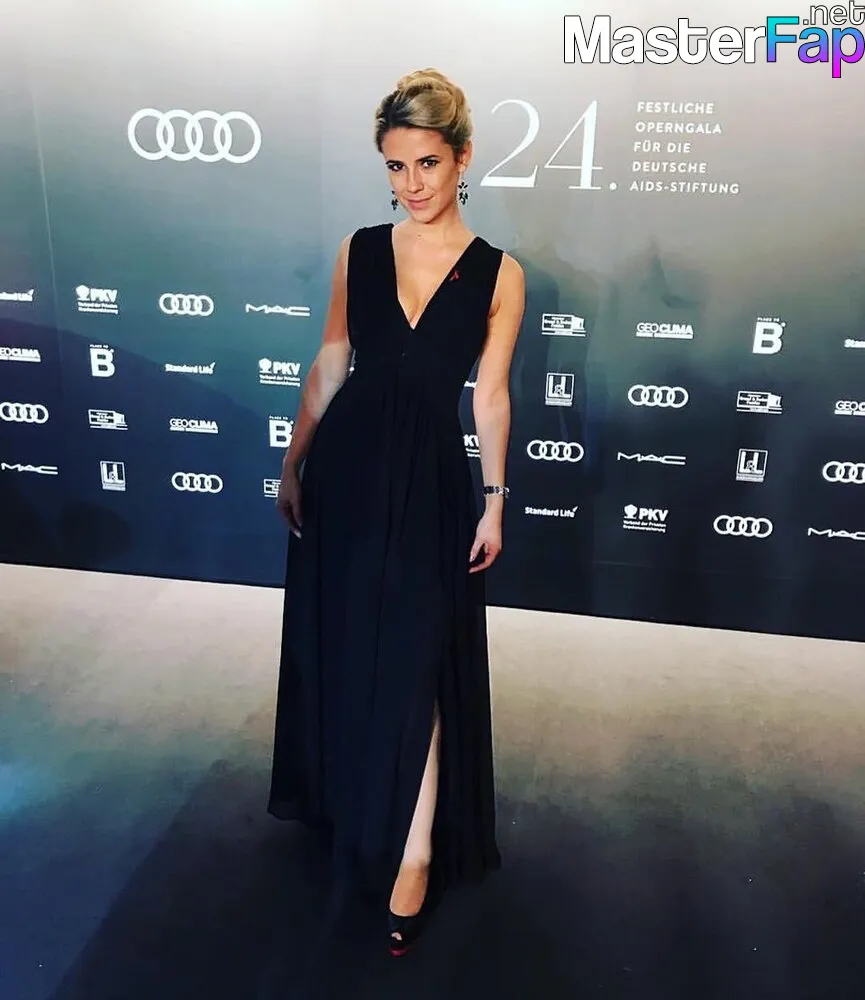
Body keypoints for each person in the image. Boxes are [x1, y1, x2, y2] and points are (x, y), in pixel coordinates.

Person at [268, 67, 525, 956]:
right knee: (348, 641)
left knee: (420, 656)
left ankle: (415, 850)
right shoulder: (360, 249)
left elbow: (490, 395)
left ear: (462, 157)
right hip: (347, 470)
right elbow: (331, 361)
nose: (411, 184)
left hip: (432, 485)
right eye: (394, 166)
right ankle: (349, 798)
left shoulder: (500, 273)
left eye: (426, 163)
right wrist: (294, 459)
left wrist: (494, 500)